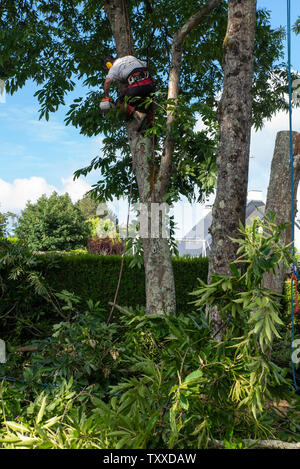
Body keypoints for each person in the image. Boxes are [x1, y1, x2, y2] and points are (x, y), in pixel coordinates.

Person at [101, 55, 155, 129]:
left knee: (119, 102)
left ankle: (138, 115)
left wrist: (107, 96)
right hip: (150, 86)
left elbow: (107, 82)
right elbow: (144, 64)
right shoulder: (130, 57)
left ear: (108, 64)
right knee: (146, 106)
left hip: (137, 87)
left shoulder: (114, 67)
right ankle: (150, 128)